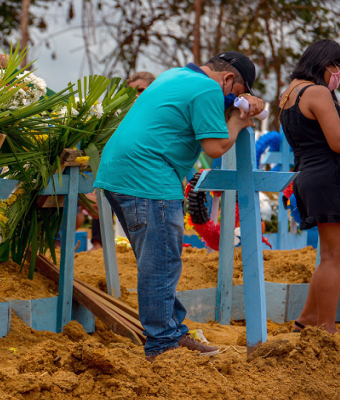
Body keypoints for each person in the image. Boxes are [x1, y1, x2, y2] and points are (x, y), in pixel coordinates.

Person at [95, 51, 264, 362]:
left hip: (118, 173)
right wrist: (240, 123)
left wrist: (246, 101)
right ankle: (162, 345)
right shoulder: (209, 89)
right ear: (227, 80)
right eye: (237, 94)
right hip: (148, 178)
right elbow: (214, 146)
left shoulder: (176, 75)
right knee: (161, 264)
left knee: (157, 262)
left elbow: (219, 102)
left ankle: (171, 332)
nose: (232, 100)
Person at [279, 40, 340, 335]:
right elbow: (339, 141)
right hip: (329, 178)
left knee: (339, 253)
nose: (339, 75)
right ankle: (327, 329)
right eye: (338, 68)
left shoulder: (290, 92)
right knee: (333, 255)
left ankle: (306, 320)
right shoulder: (315, 92)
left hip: (314, 176)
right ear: (326, 64)